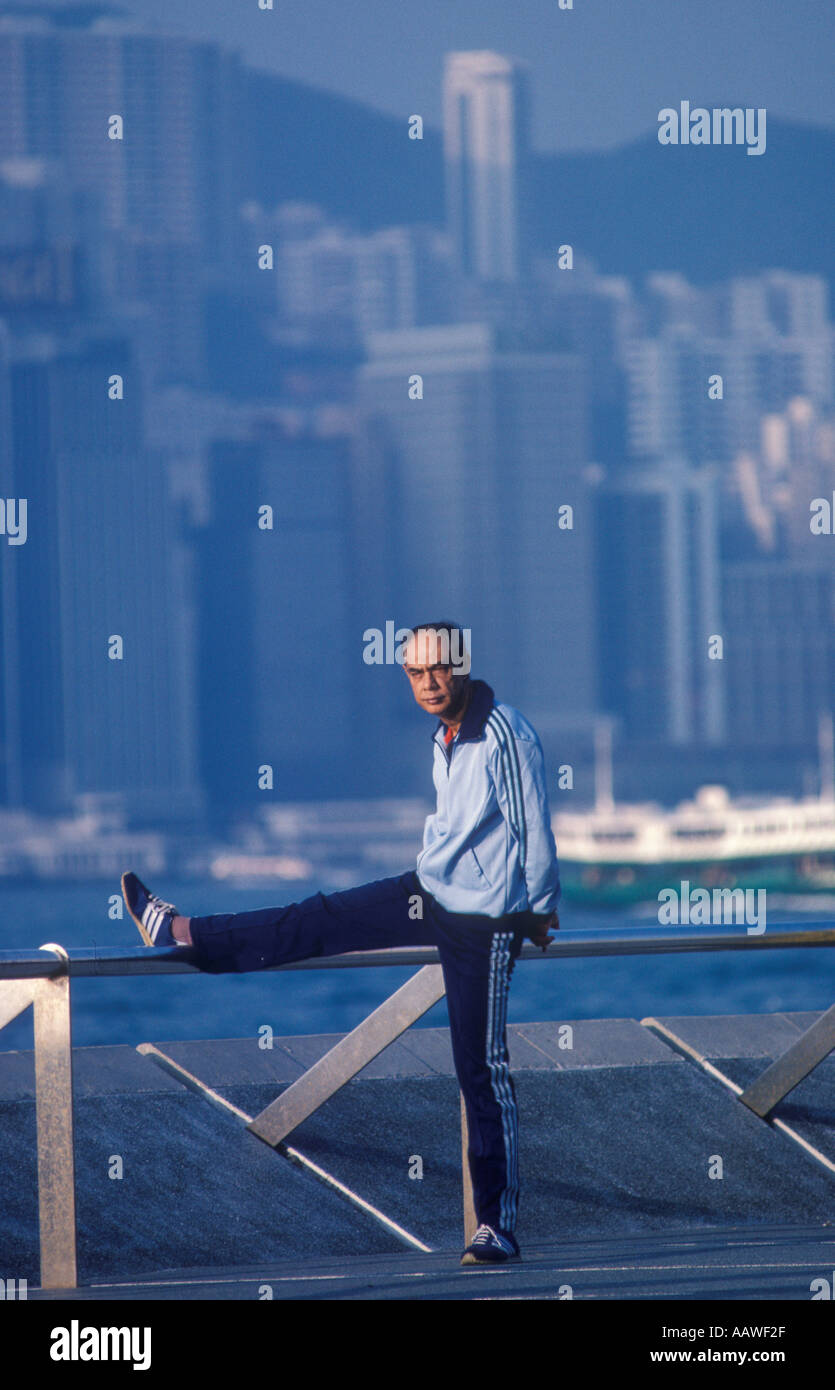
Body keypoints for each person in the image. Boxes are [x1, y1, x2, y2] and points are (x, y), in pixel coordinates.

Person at [121, 622, 561, 1266]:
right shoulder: (443, 737)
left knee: (481, 1069)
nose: (429, 683)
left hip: (484, 925)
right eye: (415, 673)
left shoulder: (504, 733)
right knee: (318, 915)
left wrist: (540, 910)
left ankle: (496, 1227)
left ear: (463, 667)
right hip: (430, 893)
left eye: (438, 670)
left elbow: (535, 831)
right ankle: (183, 931)